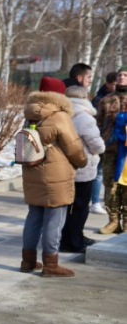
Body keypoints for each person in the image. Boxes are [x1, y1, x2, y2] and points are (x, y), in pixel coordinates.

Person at [19, 76, 86, 277]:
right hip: (55, 173)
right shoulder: (59, 115)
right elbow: (72, 146)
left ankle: (27, 261)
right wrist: (82, 161)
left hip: (32, 170)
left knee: (34, 216)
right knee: (54, 219)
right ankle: (51, 264)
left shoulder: (30, 114)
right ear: (58, 94)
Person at [59, 85, 105, 253]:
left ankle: (68, 237)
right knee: (80, 207)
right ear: (85, 97)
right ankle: (74, 241)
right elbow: (96, 144)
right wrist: (99, 150)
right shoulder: (85, 117)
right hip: (82, 167)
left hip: (63, 166)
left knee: (65, 207)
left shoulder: (60, 114)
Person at [95, 66, 127, 234]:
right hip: (111, 150)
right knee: (110, 185)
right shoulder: (106, 100)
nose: (121, 77)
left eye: (125, 75)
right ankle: (113, 221)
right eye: (120, 74)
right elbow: (98, 123)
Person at [90, 72, 117, 216]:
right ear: (108, 84)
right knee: (99, 172)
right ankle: (95, 202)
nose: (116, 86)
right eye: (113, 83)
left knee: (112, 174)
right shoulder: (99, 100)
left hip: (117, 142)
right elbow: (96, 122)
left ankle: (109, 201)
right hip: (103, 141)